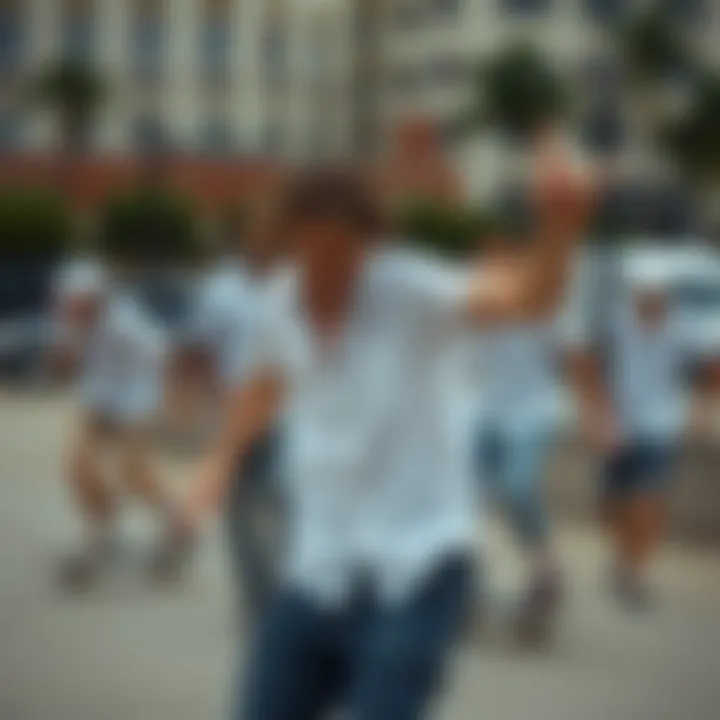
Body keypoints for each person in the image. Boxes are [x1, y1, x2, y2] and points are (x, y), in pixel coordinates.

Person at [185, 159, 590, 720]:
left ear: (370, 243)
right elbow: (261, 386)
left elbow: (526, 298)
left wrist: (559, 227)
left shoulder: (411, 290)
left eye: (344, 256)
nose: (331, 272)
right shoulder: (279, 304)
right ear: (289, 241)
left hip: (419, 564)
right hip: (319, 567)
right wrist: (220, 462)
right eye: (314, 254)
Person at [566, 253, 719, 610]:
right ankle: (624, 556)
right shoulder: (615, 326)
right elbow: (586, 365)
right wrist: (594, 413)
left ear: (665, 297)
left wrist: (702, 412)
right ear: (634, 295)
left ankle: (636, 571)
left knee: (648, 498)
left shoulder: (684, 329)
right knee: (610, 503)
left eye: (656, 295)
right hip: (617, 425)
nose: (650, 302)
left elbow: (709, 372)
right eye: (643, 294)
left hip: (659, 426)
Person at [51, 259, 184, 589]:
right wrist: (65, 350)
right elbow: (62, 367)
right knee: (78, 468)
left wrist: (175, 404)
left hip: (136, 401)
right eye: (69, 305)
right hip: (99, 400)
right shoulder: (70, 323)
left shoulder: (125, 321)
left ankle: (178, 523)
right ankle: (102, 532)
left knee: (132, 473)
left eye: (79, 305)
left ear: (96, 300)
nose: (73, 311)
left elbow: (164, 354)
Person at [181, 204, 285, 619]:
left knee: (283, 500)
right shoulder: (221, 289)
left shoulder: (298, 284)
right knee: (241, 511)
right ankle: (255, 594)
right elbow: (202, 348)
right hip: (235, 409)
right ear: (244, 240)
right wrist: (201, 402)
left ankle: (283, 594)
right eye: (256, 235)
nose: (263, 244)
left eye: (271, 235)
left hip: (289, 412)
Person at [470, 237, 565, 644]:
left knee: (517, 487)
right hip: (481, 413)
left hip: (530, 412)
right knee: (461, 496)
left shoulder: (539, 307)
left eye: (502, 272)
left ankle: (543, 569)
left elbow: (572, 353)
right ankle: (461, 581)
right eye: (486, 271)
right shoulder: (471, 308)